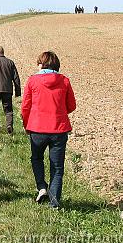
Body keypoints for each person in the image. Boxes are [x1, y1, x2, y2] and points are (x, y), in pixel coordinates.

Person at [21, 51, 76, 209]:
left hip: (37, 128)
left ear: (41, 65)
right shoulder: (64, 81)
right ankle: (55, 202)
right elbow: (71, 105)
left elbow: (25, 106)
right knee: (57, 167)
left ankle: (42, 187)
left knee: (37, 159)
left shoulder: (32, 81)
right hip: (59, 129)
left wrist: (26, 124)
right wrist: (58, 110)